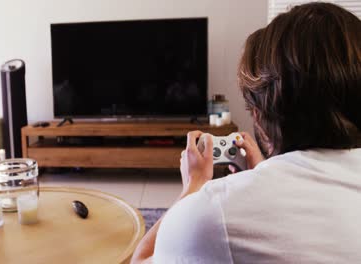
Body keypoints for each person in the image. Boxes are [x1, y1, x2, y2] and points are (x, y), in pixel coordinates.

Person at [131, 2, 361, 263]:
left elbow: (142, 259)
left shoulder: (209, 213)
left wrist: (193, 187)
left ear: (259, 115)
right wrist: (265, 171)